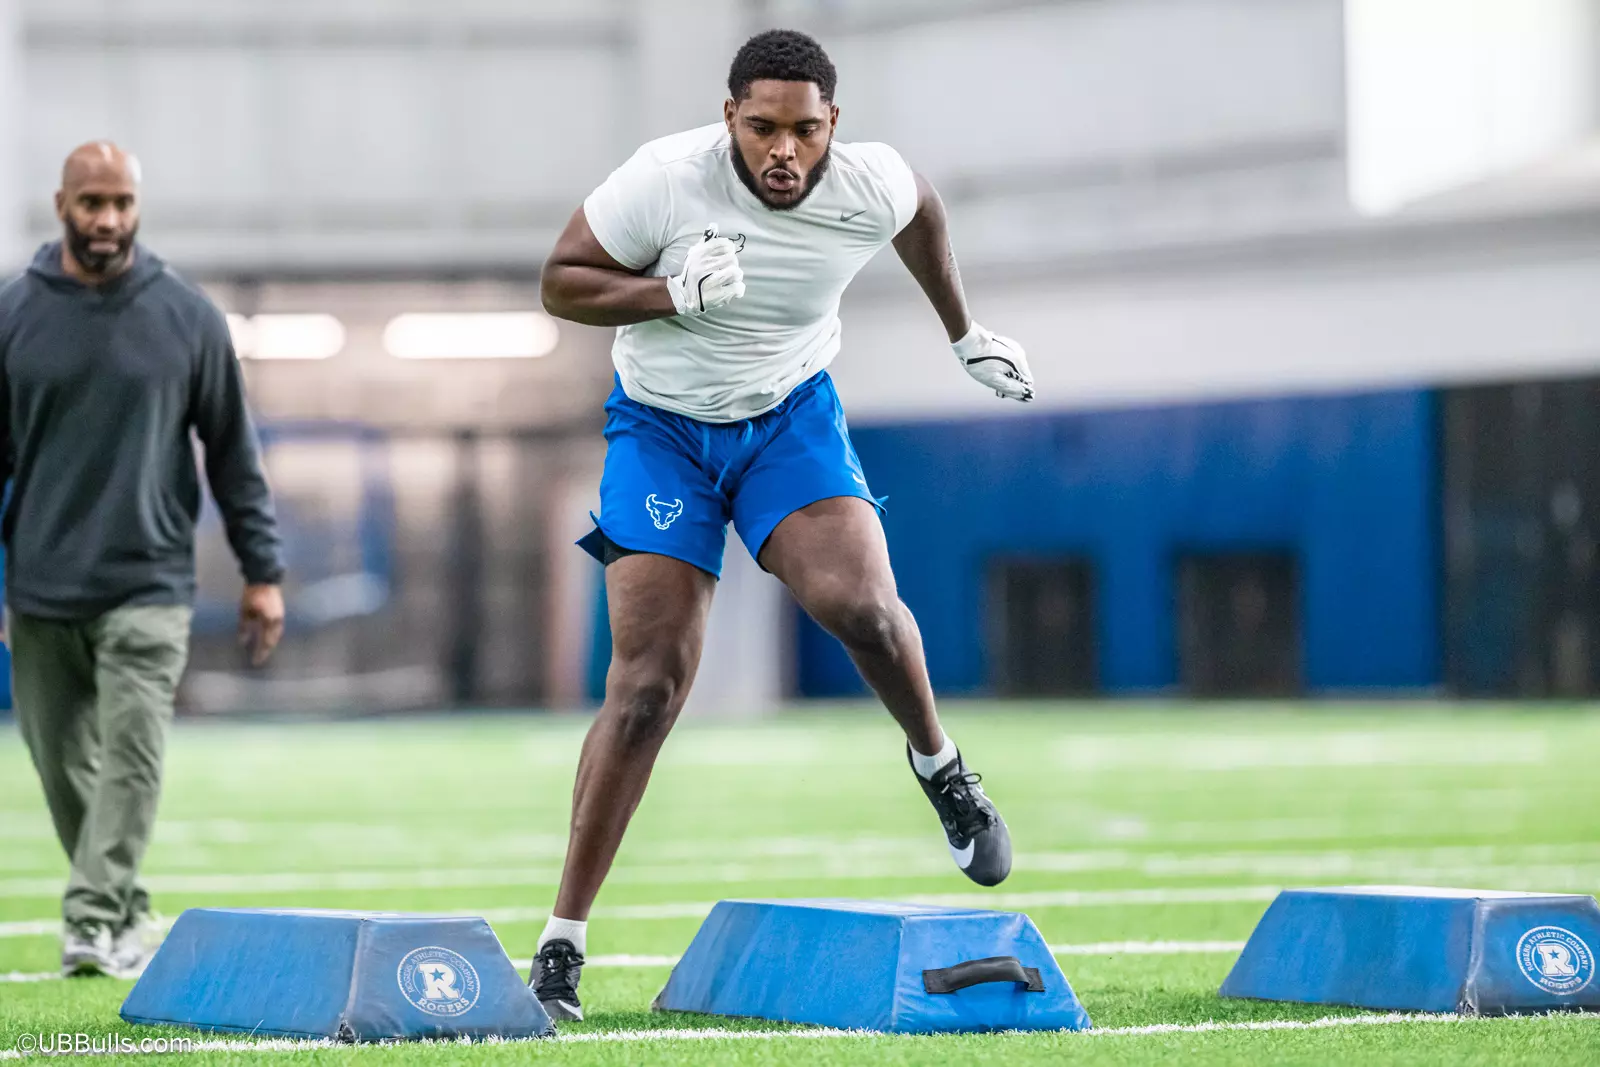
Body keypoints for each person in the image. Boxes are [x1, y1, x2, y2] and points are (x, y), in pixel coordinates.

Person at [530, 29, 1034, 1021]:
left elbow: (923, 208)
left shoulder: (867, 181)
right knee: (646, 684)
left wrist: (963, 333)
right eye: (762, 127)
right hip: (662, 431)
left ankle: (940, 767)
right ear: (729, 119)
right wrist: (669, 292)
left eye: (804, 130)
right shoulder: (663, 181)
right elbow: (560, 281)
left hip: (790, 418)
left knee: (866, 608)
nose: (783, 152)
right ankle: (561, 941)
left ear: (832, 126)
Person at [0, 142, 287, 977]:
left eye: (122, 203)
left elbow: (234, 455)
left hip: (149, 584)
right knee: (65, 771)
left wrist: (262, 573)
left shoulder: (187, 317)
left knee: (132, 753)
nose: (109, 220)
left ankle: (90, 919)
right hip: (43, 587)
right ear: (62, 205)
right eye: (92, 203)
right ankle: (127, 910)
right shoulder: (14, 314)